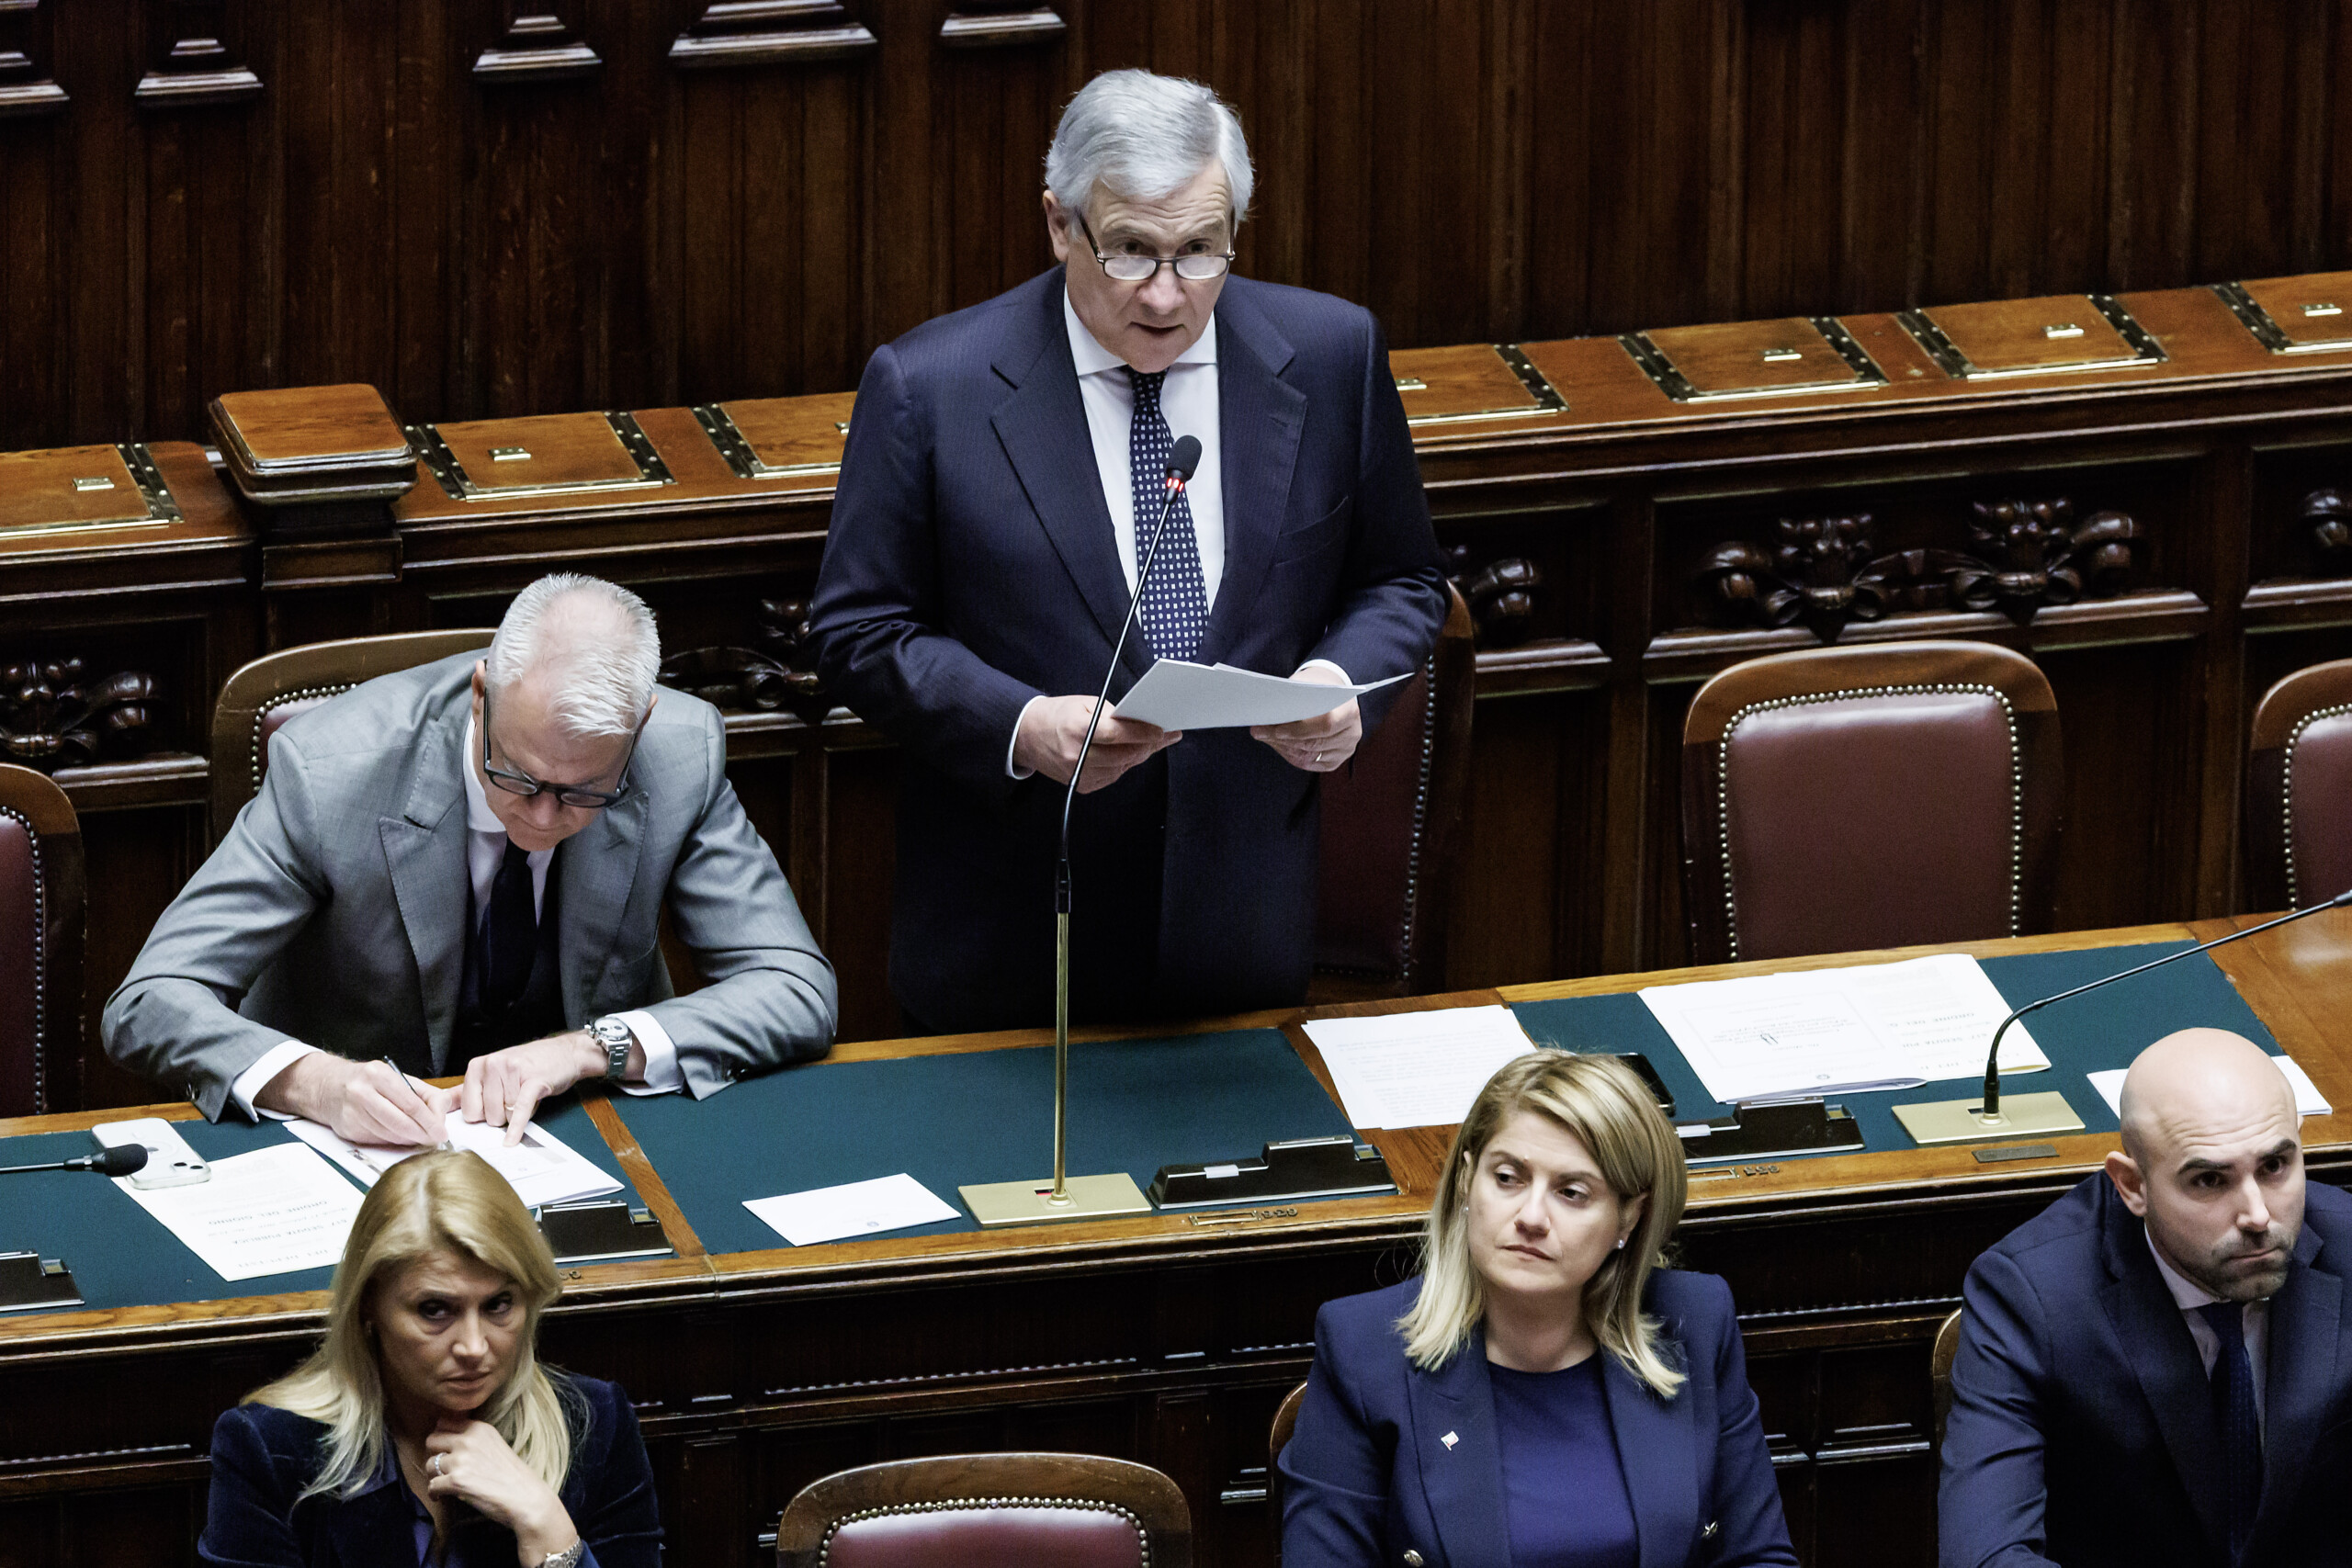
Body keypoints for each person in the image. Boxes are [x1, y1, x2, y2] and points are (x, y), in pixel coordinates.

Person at [808, 68, 1447, 1033]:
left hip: (1242, 928)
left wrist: (1336, 681)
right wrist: (1021, 725)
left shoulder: (1331, 354)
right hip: (1015, 943)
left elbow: (1400, 578)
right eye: (1131, 252)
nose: (1166, 295)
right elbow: (859, 629)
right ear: (1061, 226)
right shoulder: (930, 387)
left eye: (1200, 251)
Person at [106, 573, 837, 1146]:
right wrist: (318, 1084)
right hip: (362, 1149)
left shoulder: (681, 753)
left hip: (581, 1141)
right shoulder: (327, 773)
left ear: (639, 727)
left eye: (585, 790)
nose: (543, 816)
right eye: (516, 775)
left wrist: (594, 1049)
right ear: (481, 695)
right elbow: (151, 1000)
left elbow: (795, 987)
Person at [1280, 1052, 1798, 1568]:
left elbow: (1758, 1556)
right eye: (1507, 1178)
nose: (1531, 1217)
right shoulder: (1361, 1349)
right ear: (1466, 1181)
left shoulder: (1695, 1322)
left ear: (1629, 1216)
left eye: (1571, 1193)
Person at [1939, 1028, 2352, 1568]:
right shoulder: (2032, 1295)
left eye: (2275, 1166)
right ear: (2132, 1185)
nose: (2257, 1216)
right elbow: (1986, 1555)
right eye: (2209, 1180)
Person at [198, 1149, 660, 1567]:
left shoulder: (596, 1425)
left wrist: (548, 1530)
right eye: (435, 1311)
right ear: (368, 1308)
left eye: (499, 1305)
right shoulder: (270, 1448)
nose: (474, 1347)